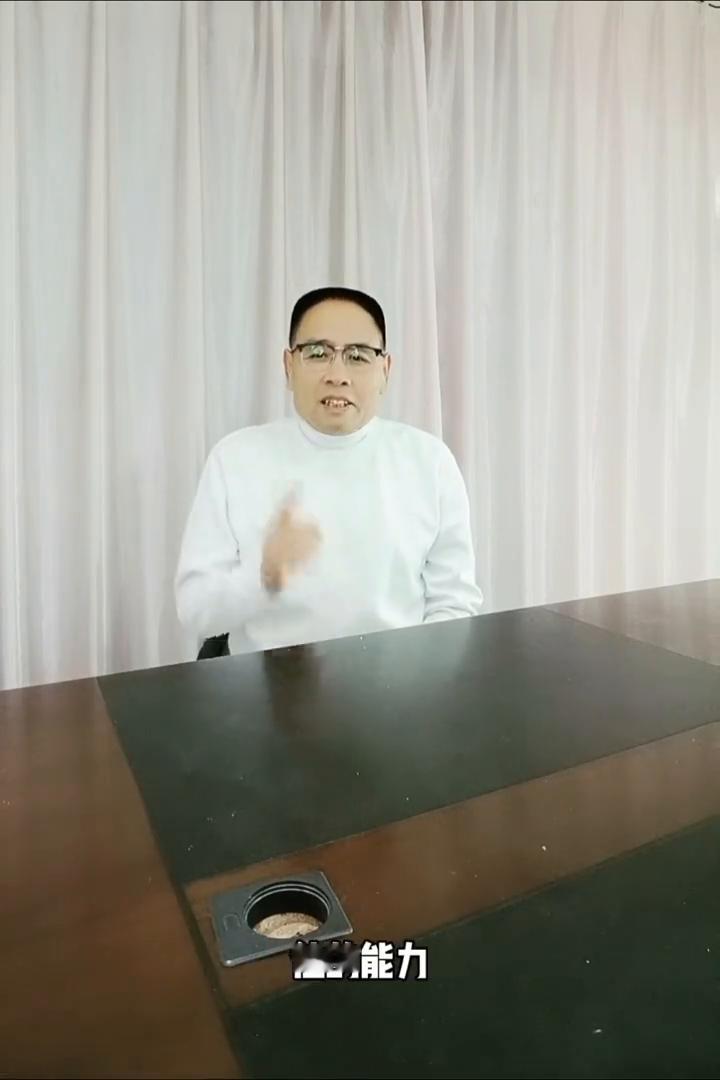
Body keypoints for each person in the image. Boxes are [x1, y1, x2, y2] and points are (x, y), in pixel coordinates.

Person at [175, 286, 484, 657]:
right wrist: (263, 577)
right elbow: (196, 612)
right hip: (268, 683)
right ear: (289, 366)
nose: (337, 375)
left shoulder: (429, 461)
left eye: (358, 356)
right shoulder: (235, 458)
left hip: (398, 681)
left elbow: (454, 603)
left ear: (385, 370)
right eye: (318, 353)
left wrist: (415, 675)